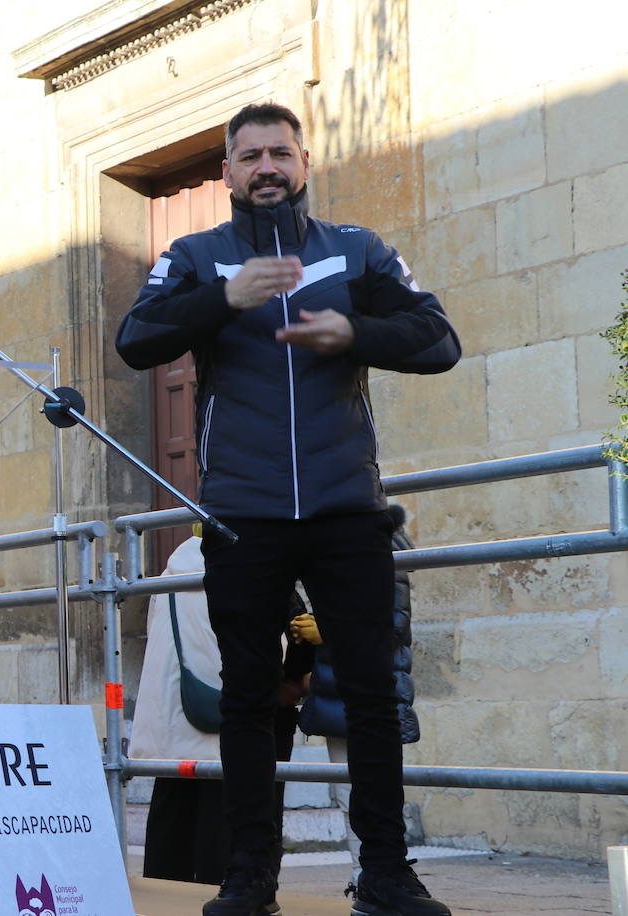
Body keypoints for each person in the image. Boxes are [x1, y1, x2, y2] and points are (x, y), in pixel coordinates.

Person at [116, 102, 461, 916]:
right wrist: (225, 298)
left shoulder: (356, 252)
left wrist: (357, 333)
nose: (266, 167)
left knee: (371, 694)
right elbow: (137, 340)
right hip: (245, 513)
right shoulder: (194, 257)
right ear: (228, 173)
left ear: (304, 163)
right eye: (249, 156)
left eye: (280, 153)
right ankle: (248, 879)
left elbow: (440, 339)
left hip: (347, 509)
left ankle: (385, 874)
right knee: (246, 696)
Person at [132, 531, 311, 886]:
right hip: (245, 717)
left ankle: (165, 902)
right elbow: (289, 640)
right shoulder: (258, 566)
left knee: (173, 817)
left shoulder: (173, 572)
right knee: (235, 823)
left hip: (178, 713)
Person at [291, 503, 423, 892]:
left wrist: (325, 631)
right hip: (337, 688)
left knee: (373, 789)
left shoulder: (383, 553)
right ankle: (360, 875)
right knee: (346, 790)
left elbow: (391, 628)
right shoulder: (336, 546)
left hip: (371, 687)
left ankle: (377, 875)